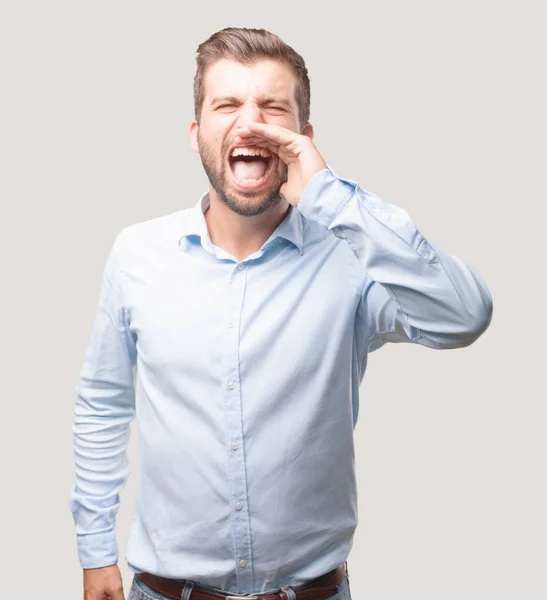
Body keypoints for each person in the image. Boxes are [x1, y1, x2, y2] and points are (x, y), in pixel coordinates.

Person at [70, 26, 493, 600]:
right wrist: (95, 551)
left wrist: (327, 193)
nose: (250, 124)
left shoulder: (349, 254)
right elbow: (103, 404)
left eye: (272, 106)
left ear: (304, 134)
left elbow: (463, 315)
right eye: (227, 105)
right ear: (197, 134)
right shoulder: (136, 254)